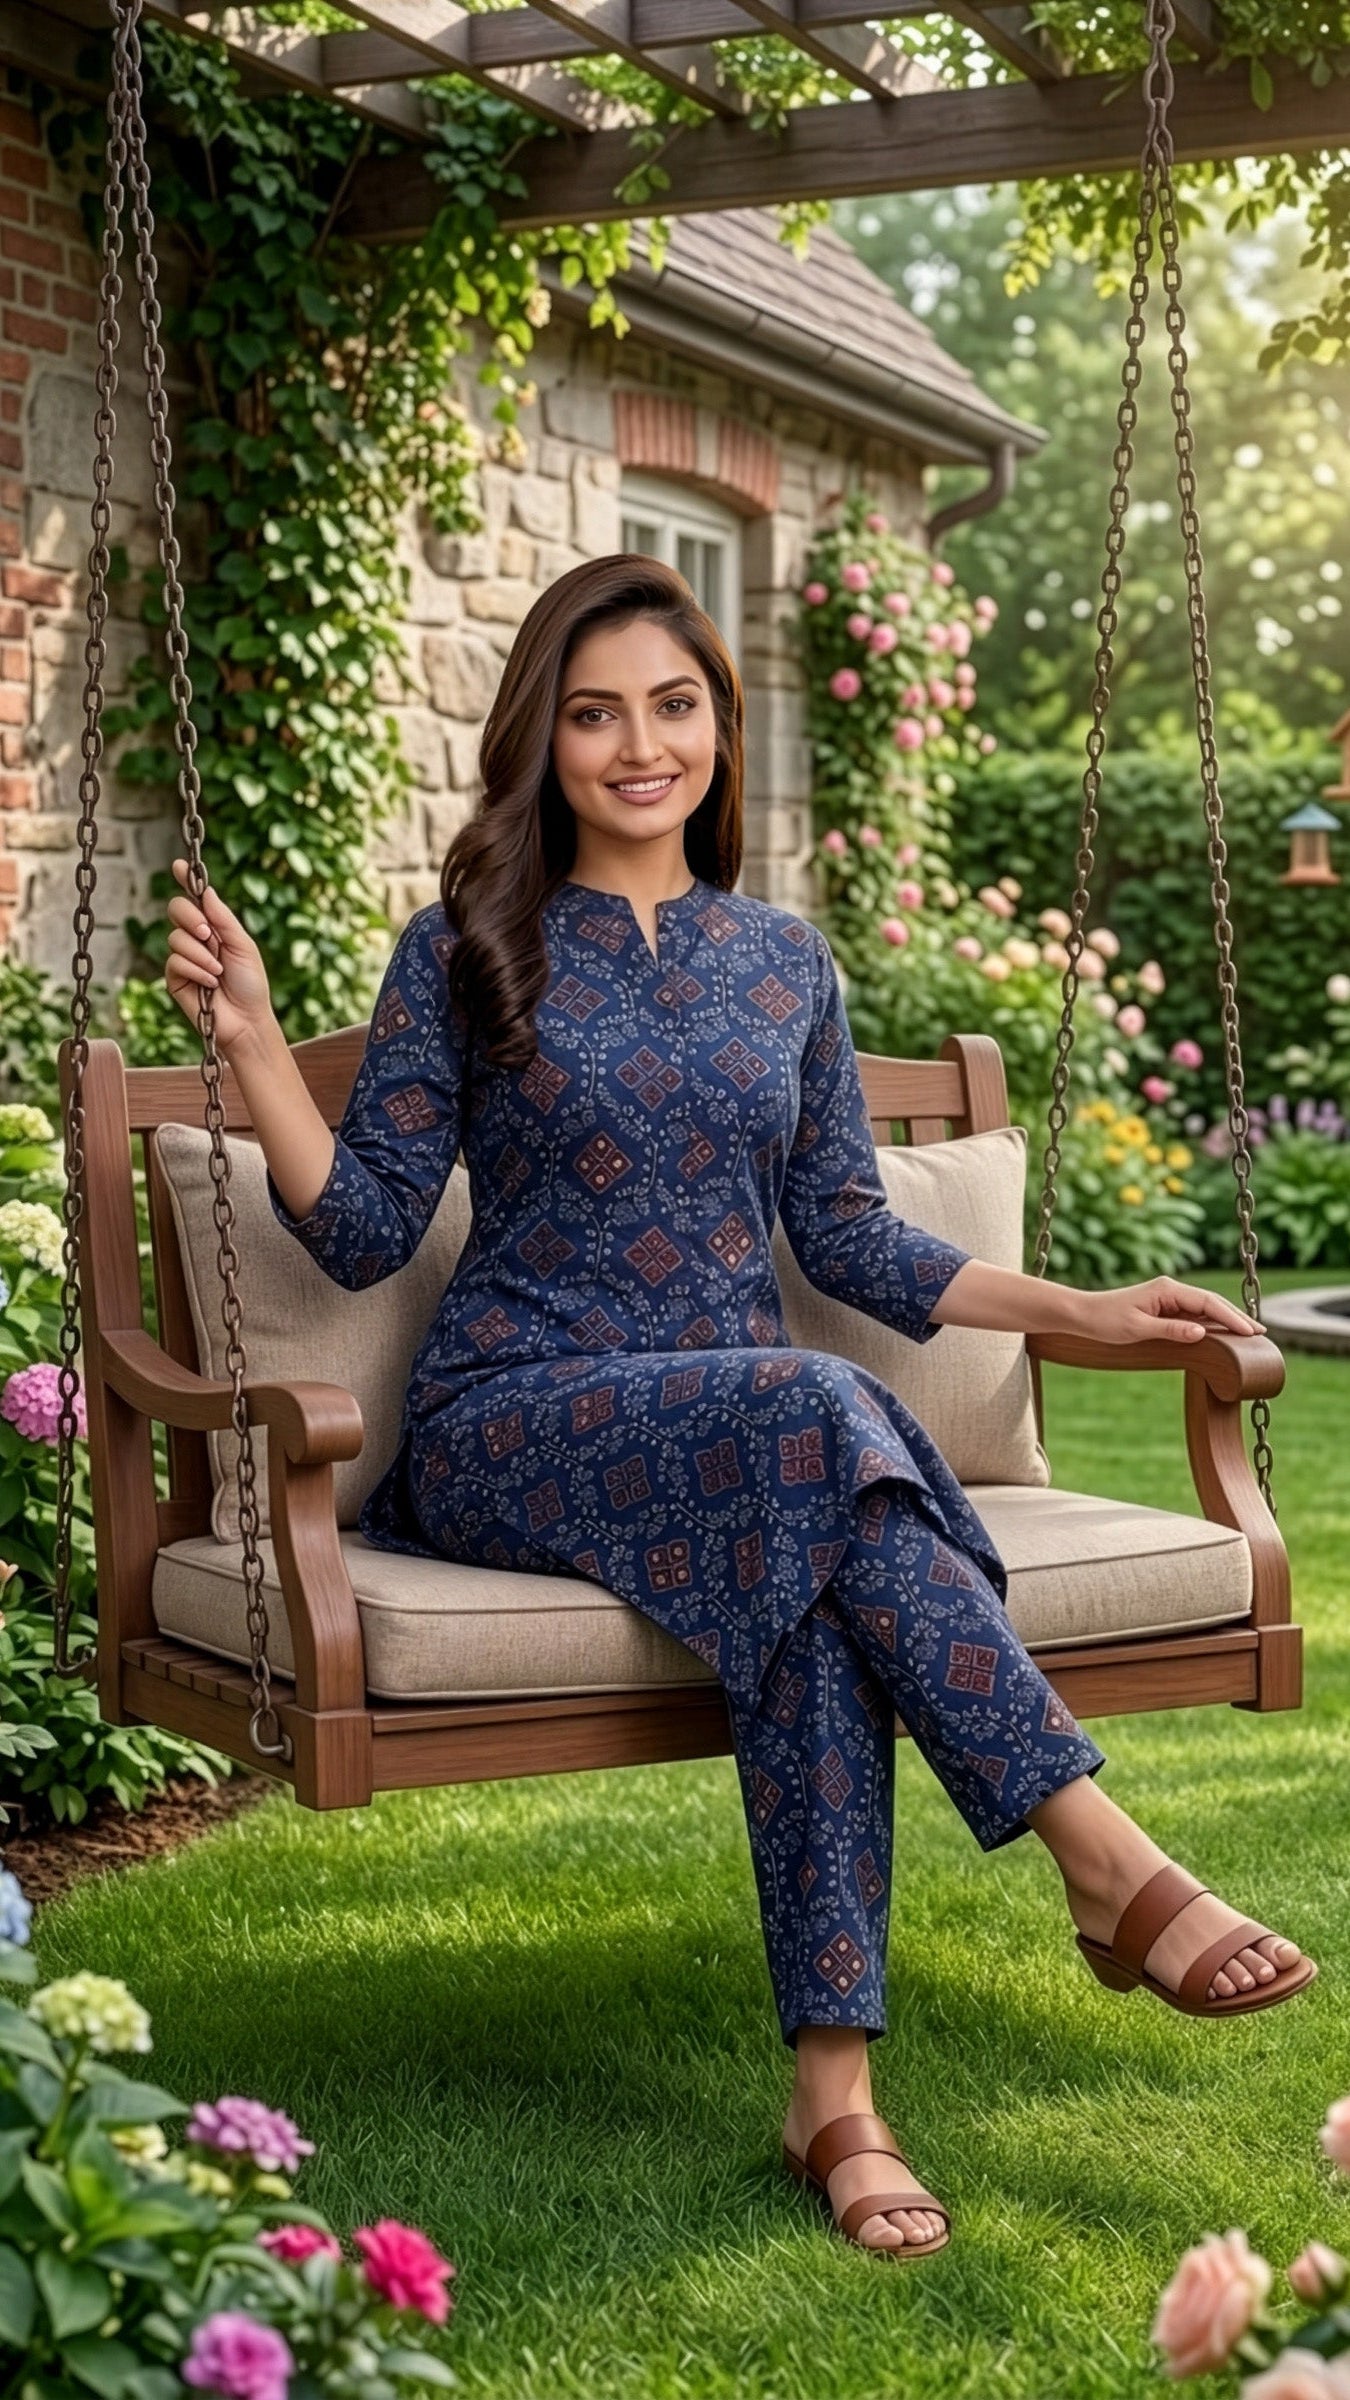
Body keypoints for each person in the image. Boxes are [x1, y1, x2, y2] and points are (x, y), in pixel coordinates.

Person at [162, 553, 1316, 2263]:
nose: (642, 746)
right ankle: (1099, 1859)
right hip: (510, 1424)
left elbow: (846, 1233)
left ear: (722, 722)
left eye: (675, 705)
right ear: (543, 741)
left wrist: (1072, 1305)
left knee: (816, 1552)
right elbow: (358, 1226)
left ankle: (833, 2104)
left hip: (744, 1448)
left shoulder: (784, 964)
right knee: (813, 1421)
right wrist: (257, 1045)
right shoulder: (466, 943)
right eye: (596, 713)